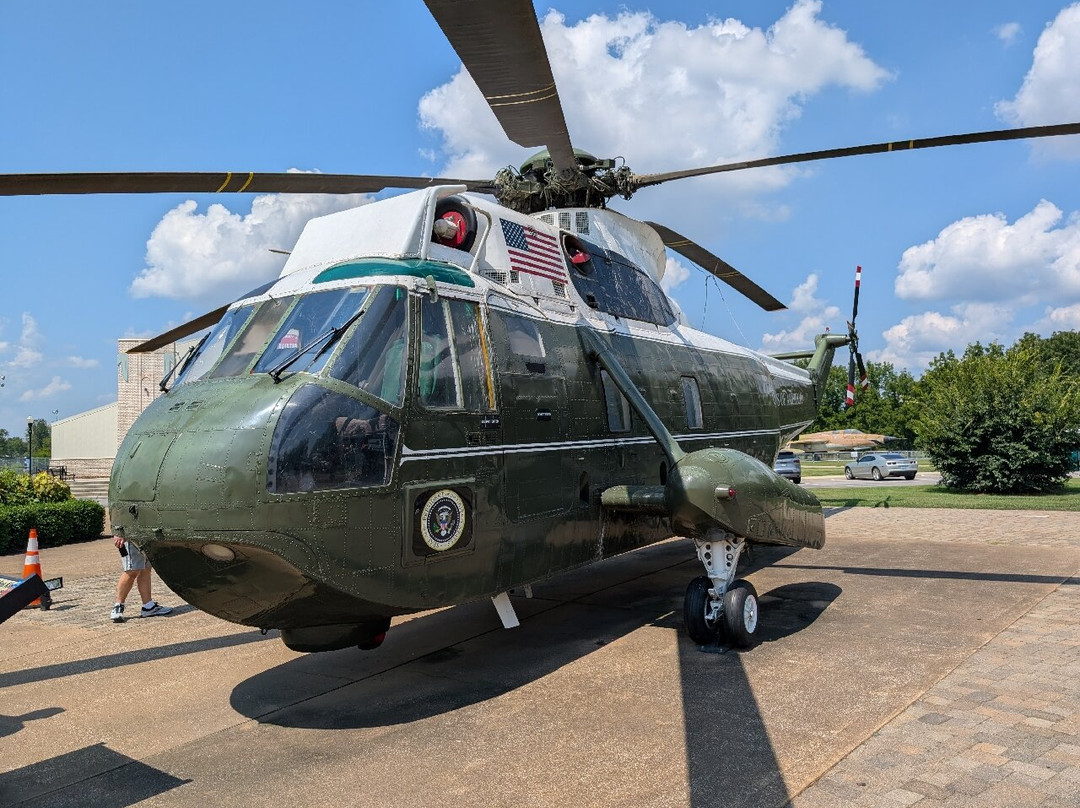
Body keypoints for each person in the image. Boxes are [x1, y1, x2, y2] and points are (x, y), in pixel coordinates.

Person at [109, 537, 172, 623]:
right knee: (131, 571)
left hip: (143, 537)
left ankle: (148, 606)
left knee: (145, 569)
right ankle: (118, 606)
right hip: (128, 538)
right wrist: (119, 534)